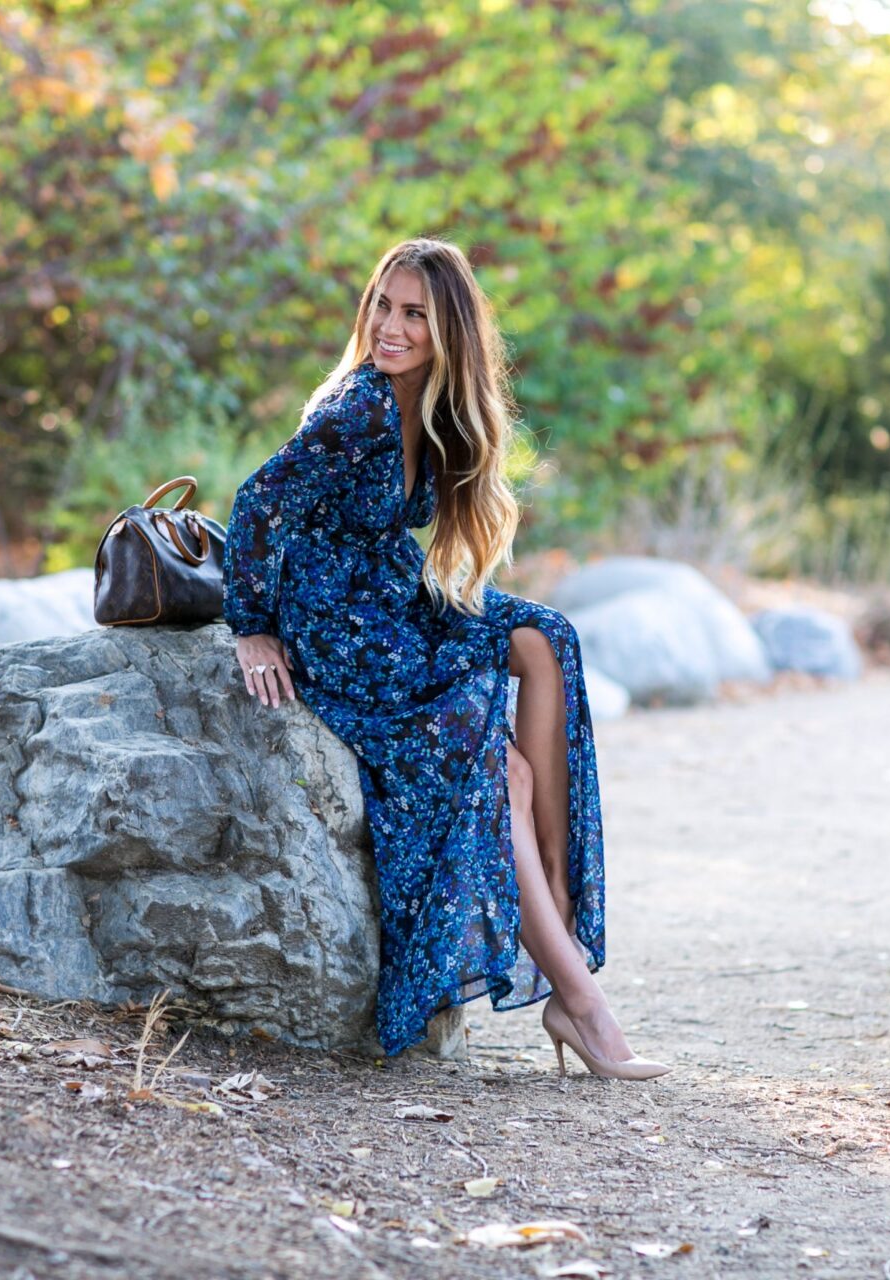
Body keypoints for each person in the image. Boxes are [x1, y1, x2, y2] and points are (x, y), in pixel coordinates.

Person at [220, 237, 669, 1080]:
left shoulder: (430, 406)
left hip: (389, 597)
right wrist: (251, 624)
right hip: (341, 626)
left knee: (544, 638)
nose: (390, 327)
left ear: (448, 329)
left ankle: (559, 912)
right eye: (383, 307)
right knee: (499, 769)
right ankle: (581, 1003)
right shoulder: (357, 406)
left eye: (414, 314)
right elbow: (256, 503)